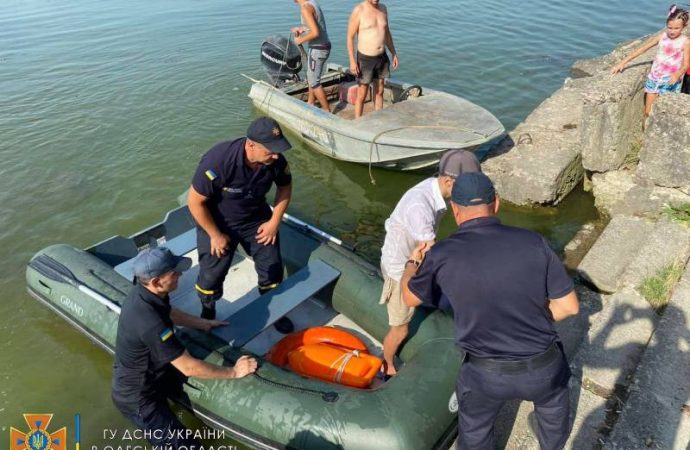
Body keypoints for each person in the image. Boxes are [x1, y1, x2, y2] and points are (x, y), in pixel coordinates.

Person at [401, 172, 580, 450]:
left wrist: (411, 265)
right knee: (554, 418)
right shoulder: (533, 242)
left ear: (455, 211)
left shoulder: (442, 254)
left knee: (475, 432)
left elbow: (410, 298)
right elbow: (569, 306)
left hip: (485, 375)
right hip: (543, 368)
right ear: (495, 204)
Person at [112, 247, 257, 449]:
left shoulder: (146, 292)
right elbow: (188, 367)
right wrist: (233, 372)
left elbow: (169, 312)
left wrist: (201, 323)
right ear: (156, 281)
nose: (180, 274)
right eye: (174, 272)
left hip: (153, 378)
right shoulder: (150, 322)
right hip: (140, 399)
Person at [379, 150, 481, 378]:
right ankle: (386, 363)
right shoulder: (420, 207)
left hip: (417, 257)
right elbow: (432, 252)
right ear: (448, 181)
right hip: (401, 268)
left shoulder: (435, 190)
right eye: (465, 188)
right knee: (400, 327)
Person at [188, 117, 293, 334]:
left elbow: (285, 188)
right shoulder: (218, 161)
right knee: (211, 275)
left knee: (272, 267)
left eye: (277, 149)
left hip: (256, 219)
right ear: (251, 144)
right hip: (218, 223)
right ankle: (208, 310)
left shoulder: (276, 162)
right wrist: (215, 235)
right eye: (270, 150)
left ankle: (275, 308)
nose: (275, 155)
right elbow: (195, 202)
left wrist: (274, 221)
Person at [611, 4, 690, 117]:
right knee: (648, 112)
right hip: (654, 78)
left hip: (671, 81)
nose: (672, 31)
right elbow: (642, 49)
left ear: (684, 26)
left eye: (677, 28)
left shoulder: (685, 42)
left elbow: (686, 64)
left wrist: (677, 74)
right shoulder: (662, 37)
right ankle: (645, 127)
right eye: (669, 27)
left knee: (666, 114)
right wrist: (623, 62)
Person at [347, 0, 399, 118]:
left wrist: (393, 53)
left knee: (379, 91)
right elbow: (350, 37)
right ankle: (357, 123)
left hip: (382, 57)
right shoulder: (359, 10)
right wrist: (352, 61)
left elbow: (386, 33)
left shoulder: (383, 8)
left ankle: (377, 120)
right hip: (365, 59)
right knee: (362, 95)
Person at [292, 0, 332, 112]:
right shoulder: (312, 3)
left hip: (318, 49)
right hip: (323, 45)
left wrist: (300, 39)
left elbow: (315, 32)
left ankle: (327, 113)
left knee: (314, 82)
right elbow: (314, 26)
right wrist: (301, 30)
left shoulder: (305, 8)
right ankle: (311, 102)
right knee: (311, 76)